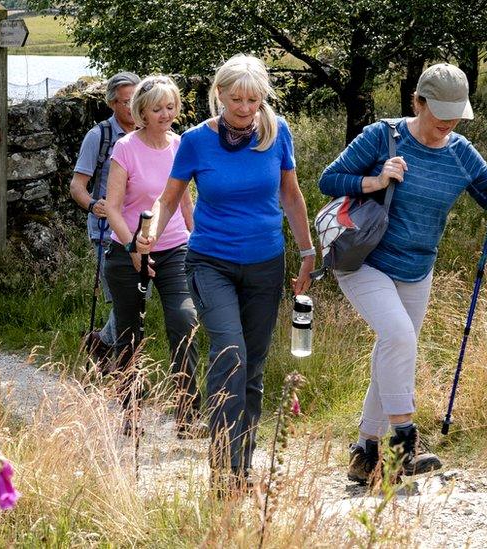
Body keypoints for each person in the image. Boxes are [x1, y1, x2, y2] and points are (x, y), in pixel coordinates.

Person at [318, 63, 487, 484]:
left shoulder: (460, 151)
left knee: (394, 348)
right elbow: (328, 179)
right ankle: (405, 445)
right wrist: (375, 181)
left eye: (455, 114)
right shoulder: (383, 135)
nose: (447, 122)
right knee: (398, 337)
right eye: (439, 112)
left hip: (417, 268)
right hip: (365, 259)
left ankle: (364, 452)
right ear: (418, 101)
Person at [137, 55, 315, 493]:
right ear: (218, 95)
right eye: (236, 99)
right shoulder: (197, 141)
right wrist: (149, 233)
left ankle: (241, 468)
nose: (244, 107)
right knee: (229, 354)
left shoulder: (277, 132)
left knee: (252, 369)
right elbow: (169, 197)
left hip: (265, 264)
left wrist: (308, 250)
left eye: (253, 99)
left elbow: (291, 197)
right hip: (210, 261)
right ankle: (221, 470)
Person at [103, 75, 202, 438]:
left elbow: (184, 197)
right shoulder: (125, 148)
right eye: (157, 108)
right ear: (141, 111)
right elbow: (112, 207)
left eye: (171, 106)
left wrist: (195, 236)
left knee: (184, 319)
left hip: (175, 248)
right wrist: (132, 247)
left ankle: (188, 415)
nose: (166, 114)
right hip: (127, 250)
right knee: (130, 333)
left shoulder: (180, 145)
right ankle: (131, 414)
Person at [70, 72, 141, 364]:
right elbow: (77, 186)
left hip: (143, 230)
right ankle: (120, 360)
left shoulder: (150, 134)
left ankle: (102, 343)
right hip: (106, 231)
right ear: (112, 103)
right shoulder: (99, 136)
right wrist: (93, 205)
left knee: (137, 297)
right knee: (126, 298)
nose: (133, 107)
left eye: (137, 100)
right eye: (126, 102)